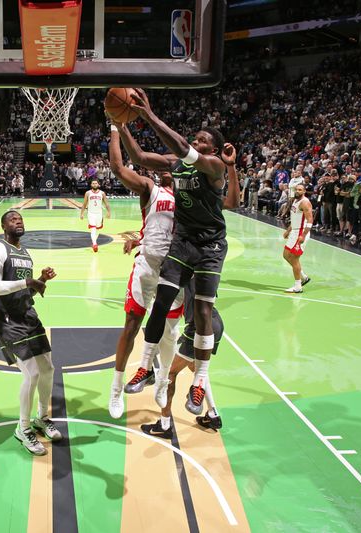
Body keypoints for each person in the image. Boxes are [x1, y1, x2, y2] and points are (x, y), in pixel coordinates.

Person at [129, 88, 230, 416]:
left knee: (202, 312)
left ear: (212, 148)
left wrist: (148, 115)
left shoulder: (214, 166)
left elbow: (184, 150)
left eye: (202, 139)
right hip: (184, 241)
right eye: (195, 138)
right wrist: (120, 126)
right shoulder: (177, 163)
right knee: (160, 301)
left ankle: (200, 381)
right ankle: (145, 366)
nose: (196, 141)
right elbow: (141, 159)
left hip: (211, 245)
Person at [106, 122, 185, 419]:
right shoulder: (151, 189)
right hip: (147, 267)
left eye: (170, 163)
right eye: (161, 163)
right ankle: (115, 388)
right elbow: (118, 167)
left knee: (169, 333)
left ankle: (162, 380)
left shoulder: (190, 198)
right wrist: (116, 127)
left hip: (175, 270)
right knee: (131, 324)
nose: (165, 167)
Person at [0, 211, 62, 455]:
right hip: (8, 319)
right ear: (3, 226)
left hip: (28, 316)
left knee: (48, 368)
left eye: (20, 218)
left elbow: (26, 292)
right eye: (12, 219)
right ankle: (23, 427)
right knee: (31, 374)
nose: (18, 221)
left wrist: (39, 279)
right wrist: (28, 282)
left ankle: (42, 417)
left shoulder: (26, 254)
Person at [141, 278, 225, 437]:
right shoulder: (205, 273)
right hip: (216, 323)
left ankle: (164, 425)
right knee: (197, 368)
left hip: (198, 329)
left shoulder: (183, 271)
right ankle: (213, 415)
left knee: (170, 372)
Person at [282, 184, 313, 293]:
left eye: (300, 190)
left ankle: (298, 286)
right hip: (294, 231)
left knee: (294, 259)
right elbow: (295, 219)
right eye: (296, 189)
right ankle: (304, 277)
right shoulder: (295, 201)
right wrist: (288, 230)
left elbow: (310, 220)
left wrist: (303, 235)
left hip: (300, 232)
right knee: (286, 255)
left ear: (304, 191)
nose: (297, 191)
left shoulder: (305, 202)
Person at [80, 178, 111, 252]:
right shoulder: (88, 193)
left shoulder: (102, 193)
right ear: (91, 185)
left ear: (98, 184)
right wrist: (81, 213)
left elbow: (106, 203)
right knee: (93, 228)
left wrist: (109, 212)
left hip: (99, 214)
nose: (94, 184)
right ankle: (94, 244)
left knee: (97, 229)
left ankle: (94, 242)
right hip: (91, 213)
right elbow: (84, 204)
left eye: (96, 183)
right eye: (93, 183)